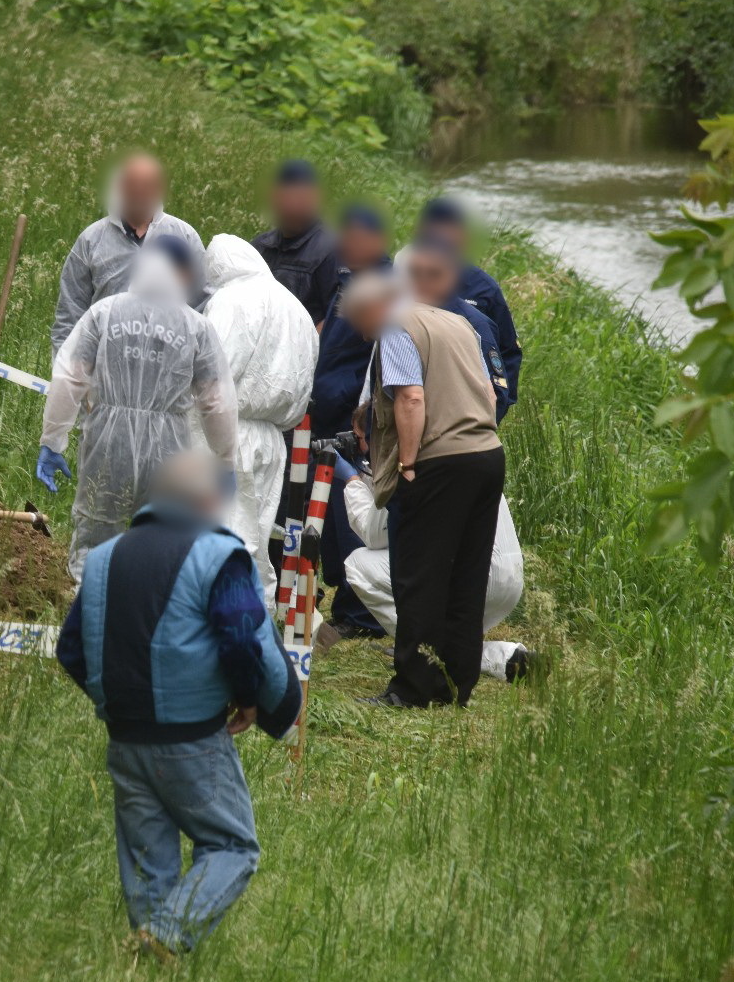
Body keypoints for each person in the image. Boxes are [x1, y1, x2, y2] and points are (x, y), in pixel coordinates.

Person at [55, 451, 302, 963]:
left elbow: (71, 650)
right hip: (191, 738)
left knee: (148, 861)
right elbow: (241, 636)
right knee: (233, 847)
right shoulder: (217, 554)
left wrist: (113, 700)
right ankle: (167, 933)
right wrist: (252, 699)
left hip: (125, 738)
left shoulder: (103, 559)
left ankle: (146, 963)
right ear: (209, 501)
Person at [340, 272, 505, 708]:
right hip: (487, 456)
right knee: (466, 575)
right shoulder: (457, 323)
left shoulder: (398, 327)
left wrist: (408, 466)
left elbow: (411, 398)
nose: (362, 334)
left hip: (439, 463)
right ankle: (457, 683)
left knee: (419, 577)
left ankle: (413, 690)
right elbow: (489, 395)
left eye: (359, 322)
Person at [37, 250, 239, 585]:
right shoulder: (196, 325)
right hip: (169, 451)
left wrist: (53, 441)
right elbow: (216, 401)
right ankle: (151, 619)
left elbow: (70, 378)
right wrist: (226, 458)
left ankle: (87, 612)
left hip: (108, 441)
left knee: (96, 537)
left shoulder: (104, 312)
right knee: (165, 540)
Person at [336, 456, 534, 683]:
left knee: (358, 563)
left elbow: (374, 534)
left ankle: (419, 648)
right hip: (509, 581)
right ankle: (507, 658)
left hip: (473, 585)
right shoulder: (463, 443)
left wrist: (353, 481)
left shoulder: (408, 459)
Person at [200, 234, 316, 605]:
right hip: (273, 438)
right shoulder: (295, 307)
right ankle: (259, 611)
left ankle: (225, 616)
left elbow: (212, 372)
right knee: (258, 531)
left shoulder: (231, 300)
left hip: (229, 432)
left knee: (226, 531)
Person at [51, 153, 204, 355]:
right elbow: (70, 313)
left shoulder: (185, 237)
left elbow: (202, 308)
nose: (140, 192)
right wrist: (67, 375)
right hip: (103, 368)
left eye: (147, 185)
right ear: (121, 187)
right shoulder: (91, 240)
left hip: (166, 369)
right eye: (133, 185)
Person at [418, 197, 521, 410]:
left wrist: (495, 411)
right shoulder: (402, 277)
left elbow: (508, 351)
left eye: (448, 229)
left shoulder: (484, 287)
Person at [399, 239, 513, 422]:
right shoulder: (400, 319)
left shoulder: (475, 324)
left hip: (454, 437)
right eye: (415, 274)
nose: (422, 282)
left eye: (433, 274)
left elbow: (496, 392)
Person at [312, 204, 391, 437]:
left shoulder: (385, 287)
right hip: (324, 404)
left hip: (350, 413)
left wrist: (362, 414)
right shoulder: (347, 278)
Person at [252, 159, 340, 325]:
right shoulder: (260, 247)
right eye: (288, 196)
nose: (293, 205)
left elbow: (336, 320)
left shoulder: (332, 251)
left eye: (302, 197)